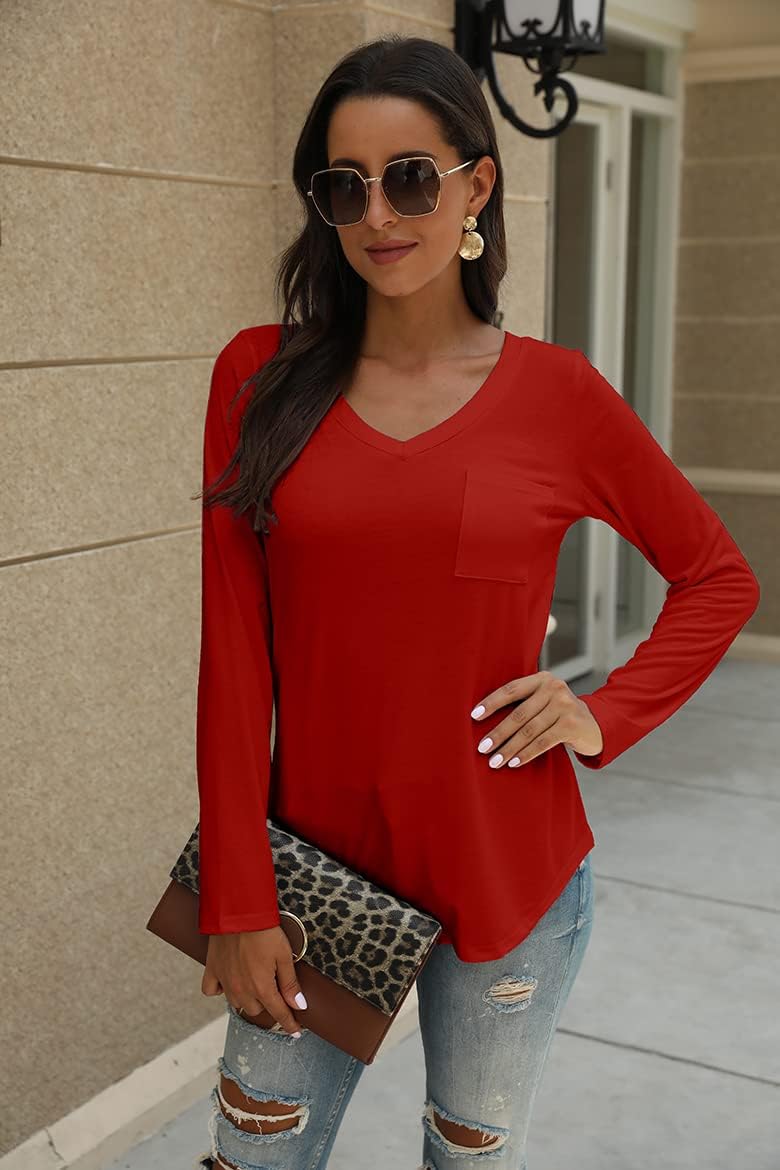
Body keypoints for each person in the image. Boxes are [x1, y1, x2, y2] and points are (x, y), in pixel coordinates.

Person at [191, 35, 760, 1170]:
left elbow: (717, 577)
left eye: (410, 178)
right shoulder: (258, 378)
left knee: (472, 1161)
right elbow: (234, 653)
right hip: (317, 876)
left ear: (476, 186)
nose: (377, 215)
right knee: (252, 1159)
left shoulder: (561, 397)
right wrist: (238, 898)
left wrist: (604, 711)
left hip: (512, 875)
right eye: (344, 186)